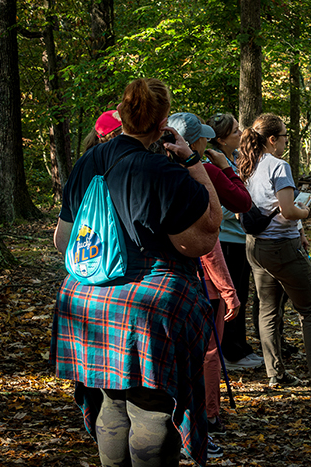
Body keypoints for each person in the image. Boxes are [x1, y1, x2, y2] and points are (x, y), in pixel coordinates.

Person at [51, 78, 224, 466]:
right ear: (163, 123)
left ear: (123, 114)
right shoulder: (164, 170)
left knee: (111, 397)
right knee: (150, 404)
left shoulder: (88, 162)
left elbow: (63, 240)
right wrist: (194, 163)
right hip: (148, 305)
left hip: (86, 302)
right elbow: (203, 237)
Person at [167, 112, 252, 455]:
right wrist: (228, 289)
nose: (204, 142)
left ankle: (179, 420)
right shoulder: (202, 174)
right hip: (203, 280)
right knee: (207, 353)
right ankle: (206, 417)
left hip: (165, 281)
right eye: (199, 139)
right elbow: (238, 207)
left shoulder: (154, 171)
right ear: (190, 143)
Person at [237, 113, 311, 391]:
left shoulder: (245, 166)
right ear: (272, 139)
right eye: (284, 137)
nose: (285, 142)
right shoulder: (278, 166)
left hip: (255, 247)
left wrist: (301, 230)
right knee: (310, 310)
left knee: (268, 311)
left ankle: (275, 373)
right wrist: (305, 211)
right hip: (282, 247)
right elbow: (288, 209)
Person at [205, 112, 263, 370]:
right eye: (235, 132)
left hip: (242, 237)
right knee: (231, 295)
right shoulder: (213, 164)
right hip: (227, 239)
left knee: (242, 294)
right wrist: (242, 209)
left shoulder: (236, 160)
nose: (242, 134)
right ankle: (230, 352)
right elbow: (221, 205)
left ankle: (240, 346)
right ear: (220, 139)